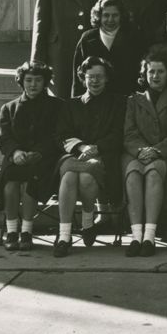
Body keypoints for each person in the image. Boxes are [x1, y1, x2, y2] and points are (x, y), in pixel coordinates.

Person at [53, 57, 125, 257]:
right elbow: (60, 135)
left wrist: (96, 148)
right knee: (68, 175)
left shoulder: (118, 103)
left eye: (100, 76)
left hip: (103, 158)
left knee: (85, 175)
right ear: (83, 79)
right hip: (74, 155)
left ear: (107, 78)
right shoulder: (71, 105)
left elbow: (119, 133)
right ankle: (65, 235)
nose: (95, 81)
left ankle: (87, 221)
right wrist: (81, 146)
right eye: (90, 76)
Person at [0, 61, 64, 252]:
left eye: (38, 80)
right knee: (10, 181)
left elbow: (58, 136)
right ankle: (12, 231)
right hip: (16, 158)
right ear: (21, 81)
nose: (33, 85)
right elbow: (4, 138)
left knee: (32, 180)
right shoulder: (9, 108)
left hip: (44, 160)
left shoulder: (57, 106)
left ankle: (27, 232)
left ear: (45, 82)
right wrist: (15, 152)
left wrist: (40, 152)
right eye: (29, 80)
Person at [122, 51, 167, 257]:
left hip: (165, 156)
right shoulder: (134, 100)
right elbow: (129, 133)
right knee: (133, 175)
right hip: (136, 155)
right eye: (151, 71)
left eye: (160, 72)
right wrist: (141, 151)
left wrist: (156, 151)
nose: (155, 76)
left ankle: (149, 236)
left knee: (154, 173)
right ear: (144, 74)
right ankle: (135, 235)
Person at [31, 0, 106, 99]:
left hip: (87, 53)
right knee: (60, 98)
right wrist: (36, 60)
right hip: (58, 54)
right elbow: (40, 24)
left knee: (84, 98)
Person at [71, 0, 142, 97]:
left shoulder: (133, 37)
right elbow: (78, 76)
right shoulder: (87, 38)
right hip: (95, 98)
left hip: (125, 98)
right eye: (106, 15)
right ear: (99, 16)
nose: (110, 20)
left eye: (115, 15)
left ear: (121, 16)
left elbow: (139, 72)